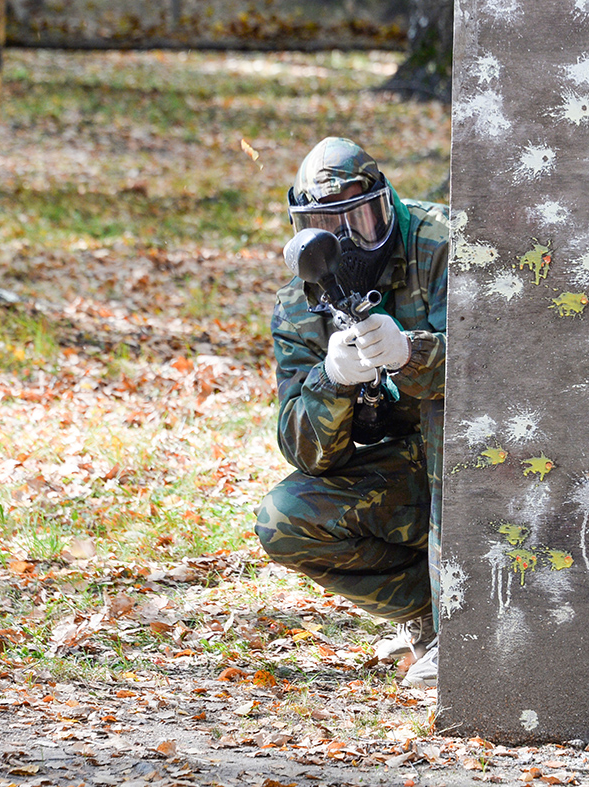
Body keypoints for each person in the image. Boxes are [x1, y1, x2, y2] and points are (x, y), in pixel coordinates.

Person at [254, 137, 447, 688]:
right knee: (285, 517)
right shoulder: (300, 305)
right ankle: (433, 614)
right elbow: (306, 452)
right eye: (325, 228)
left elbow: (513, 367)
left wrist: (417, 352)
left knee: (444, 425)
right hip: (411, 480)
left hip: (487, 463)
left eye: (359, 221)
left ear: (387, 205)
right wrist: (331, 381)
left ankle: (467, 619)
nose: (345, 245)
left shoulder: (443, 247)